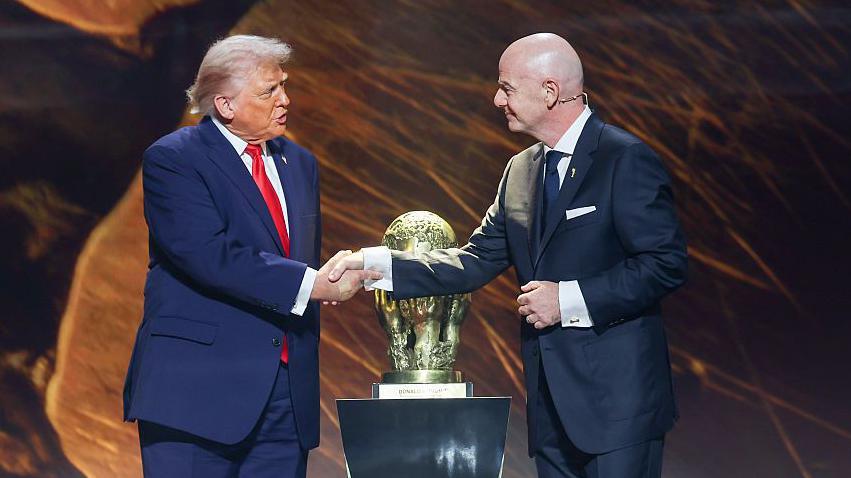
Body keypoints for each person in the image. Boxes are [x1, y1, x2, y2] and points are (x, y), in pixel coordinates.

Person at [330, 33, 688, 478]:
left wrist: (567, 300)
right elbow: (474, 259)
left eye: (507, 88)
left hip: (619, 409)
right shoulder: (520, 170)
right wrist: (373, 263)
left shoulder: (624, 159)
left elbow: (665, 263)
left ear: (550, 91)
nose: (497, 99)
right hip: (551, 412)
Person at [122, 35, 379, 478]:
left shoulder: (300, 164)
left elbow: (293, 259)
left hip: (285, 398)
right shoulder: (174, 159)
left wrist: (331, 277)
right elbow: (207, 254)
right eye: (269, 91)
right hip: (196, 394)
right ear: (225, 104)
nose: (285, 99)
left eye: (284, 85)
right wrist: (311, 285)